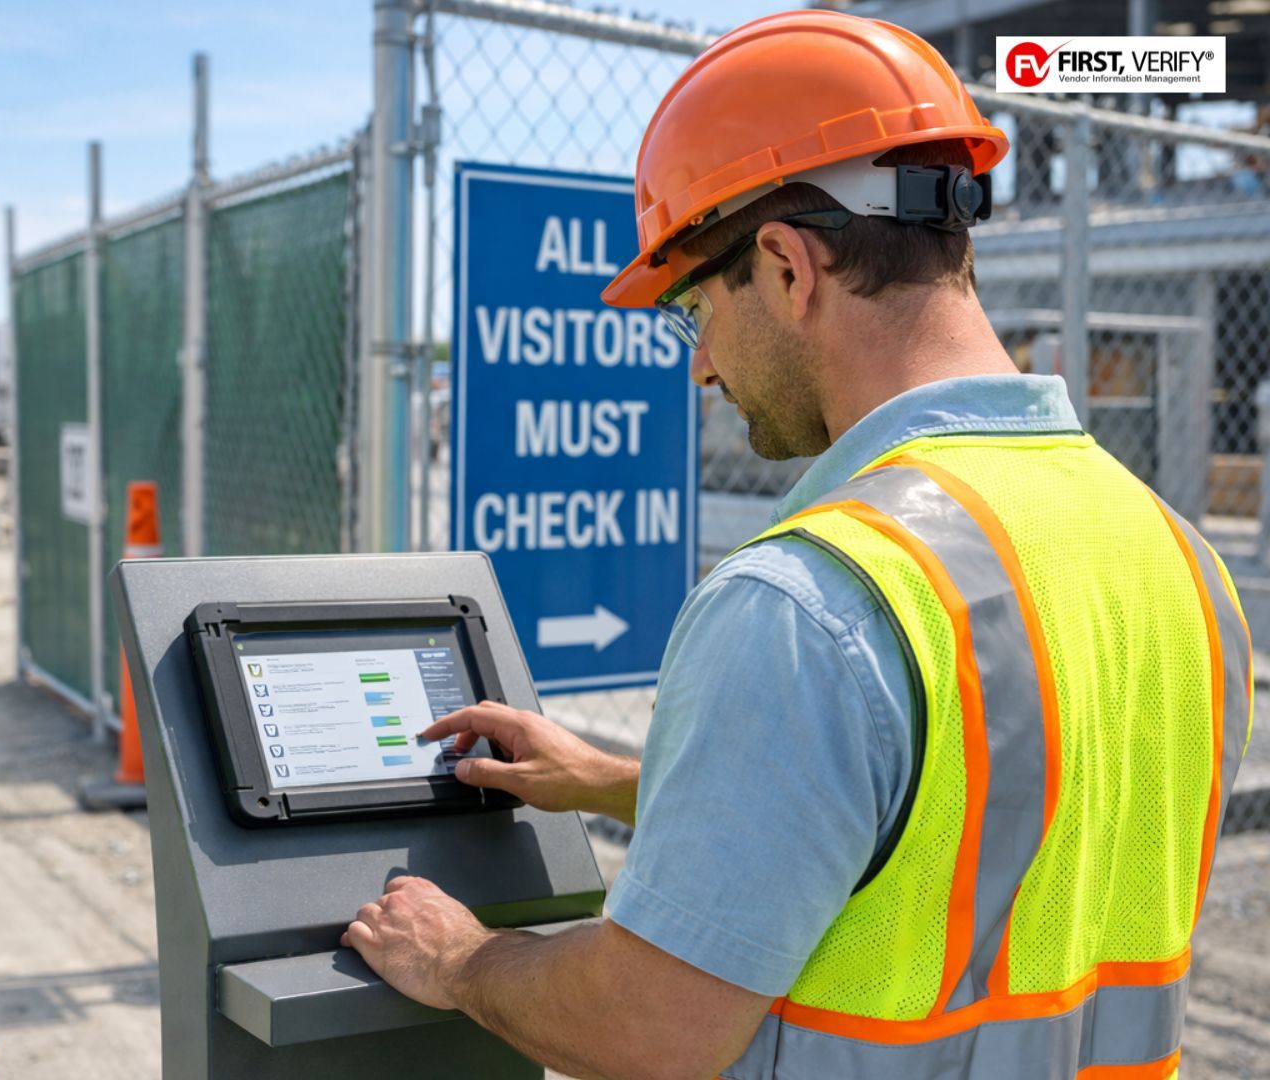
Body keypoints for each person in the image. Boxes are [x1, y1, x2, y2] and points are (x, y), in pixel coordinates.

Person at [344, 11, 1252, 1079]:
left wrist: (462, 959)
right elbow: (973, 811)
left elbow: (649, 1026)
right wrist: (622, 780)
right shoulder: (1181, 562)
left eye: (695, 312)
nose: (703, 369)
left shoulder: (811, 600)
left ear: (784, 268)